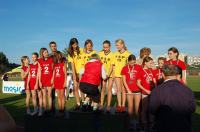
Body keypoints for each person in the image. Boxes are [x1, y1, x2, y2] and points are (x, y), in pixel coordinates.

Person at [149, 64, 196, 132]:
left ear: (163, 75)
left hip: (163, 127)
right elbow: (192, 108)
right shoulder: (187, 90)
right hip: (184, 127)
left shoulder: (157, 90)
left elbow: (152, 109)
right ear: (177, 75)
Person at [121, 54, 142, 127]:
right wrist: (128, 90)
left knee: (137, 108)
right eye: (131, 62)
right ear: (128, 61)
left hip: (137, 90)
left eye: (134, 62)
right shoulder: (124, 68)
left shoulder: (139, 67)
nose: (133, 64)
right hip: (129, 90)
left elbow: (140, 78)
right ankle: (130, 123)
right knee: (130, 107)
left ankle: (137, 122)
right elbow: (124, 81)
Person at [137, 56, 156, 130]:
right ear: (145, 63)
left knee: (152, 109)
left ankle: (151, 124)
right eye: (150, 63)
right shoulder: (141, 71)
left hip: (152, 93)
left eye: (152, 63)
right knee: (144, 109)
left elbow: (154, 81)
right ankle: (144, 124)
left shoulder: (151, 71)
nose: (151, 64)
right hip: (145, 93)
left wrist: (155, 89)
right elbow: (138, 84)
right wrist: (146, 90)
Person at [113, 39, 131, 112]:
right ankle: (119, 105)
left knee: (123, 90)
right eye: (116, 45)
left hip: (124, 75)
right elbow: (113, 65)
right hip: (117, 74)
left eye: (118, 45)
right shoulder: (115, 54)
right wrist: (114, 74)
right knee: (118, 90)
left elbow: (129, 65)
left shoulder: (128, 54)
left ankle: (123, 106)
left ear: (122, 45)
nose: (117, 47)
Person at [67, 38, 84, 110]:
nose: (75, 45)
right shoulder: (70, 53)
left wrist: (82, 71)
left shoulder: (82, 50)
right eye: (73, 44)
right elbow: (72, 64)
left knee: (81, 88)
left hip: (82, 72)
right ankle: (78, 103)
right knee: (75, 88)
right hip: (75, 72)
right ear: (71, 45)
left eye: (76, 44)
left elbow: (84, 61)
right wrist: (74, 74)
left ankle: (84, 102)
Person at [98, 40, 114, 112]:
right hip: (103, 74)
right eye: (104, 47)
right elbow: (98, 64)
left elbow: (111, 66)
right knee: (103, 89)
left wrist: (108, 74)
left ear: (110, 47)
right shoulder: (100, 53)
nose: (105, 48)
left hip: (110, 74)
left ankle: (108, 106)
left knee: (109, 89)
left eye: (107, 47)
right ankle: (101, 104)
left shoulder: (112, 54)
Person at [38, 48, 54, 114]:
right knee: (44, 95)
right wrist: (39, 81)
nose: (46, 53)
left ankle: (49, 109)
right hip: (43, 80)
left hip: (49, 79)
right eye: (45, 52)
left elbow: (53, 70)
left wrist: (52, 79)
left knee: (49, 95)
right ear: (42, 54)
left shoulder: (51, 60)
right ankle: (45, 109)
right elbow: (39, 71)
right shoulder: (40, 60)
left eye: (47, 52)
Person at [52, 51, 67, 116]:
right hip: (56, 81)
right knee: (58, 96)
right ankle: (60, 109)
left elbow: (65, 74)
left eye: (60, 55)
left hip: (62, 80)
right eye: (58, 55)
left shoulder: (63, 63)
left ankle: (63, 109)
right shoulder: (54, 64)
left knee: (62, 96)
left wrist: (65, 82)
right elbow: (53, 73)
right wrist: (52, 81)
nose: (59, 56)